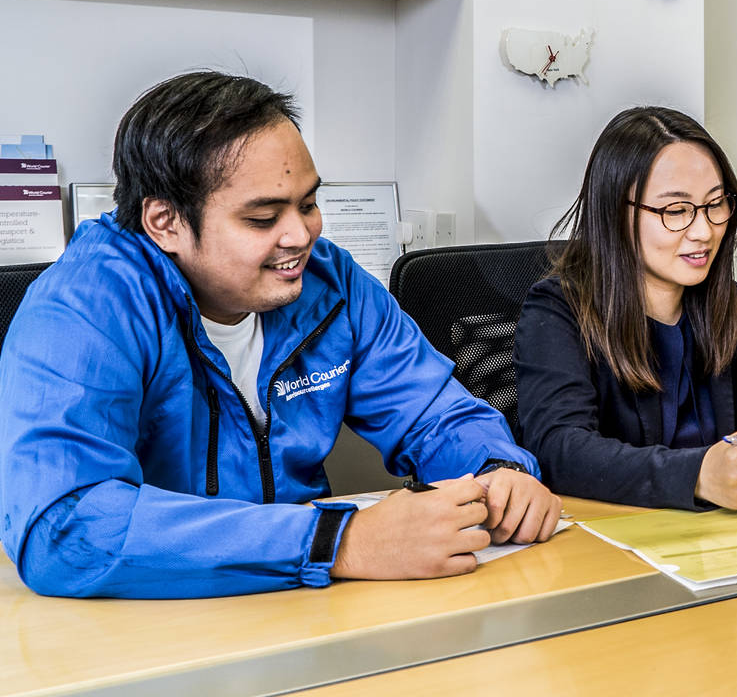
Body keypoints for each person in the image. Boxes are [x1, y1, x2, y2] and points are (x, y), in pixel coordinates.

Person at [0, 72, 561, 599]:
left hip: (303, 601)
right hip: (147, 619)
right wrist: (338, 540)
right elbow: (65, 527)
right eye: (263, 218)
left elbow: (435, 414)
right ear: (165, 222)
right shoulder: (82, 309)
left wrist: (498, 470)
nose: (301, 235)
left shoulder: (331, 283)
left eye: (309, 204)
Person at [515, 106, 737, 510]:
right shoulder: (560, 309)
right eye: (676, 211)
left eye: (715, 204)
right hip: (618, 542)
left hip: (725, 541)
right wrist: (698, 475)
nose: (704, 231)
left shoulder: (722, 302)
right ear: (617, 213)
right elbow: (559, 449)